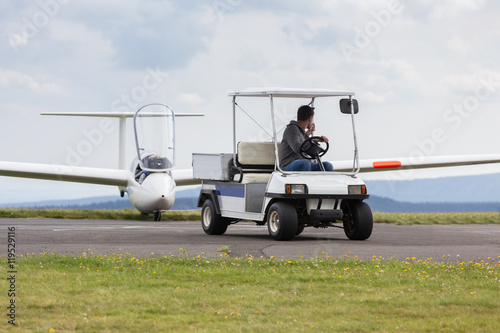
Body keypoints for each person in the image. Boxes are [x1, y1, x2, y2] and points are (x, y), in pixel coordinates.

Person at [280, 105, 334, 172]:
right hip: (288, 166)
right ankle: (307, 182)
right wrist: (315, 140)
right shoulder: (292, 129)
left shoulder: (301, 132)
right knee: (305, 163)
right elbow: (297, 148)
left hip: (303, 164)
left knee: (327, 166)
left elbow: (305, 143)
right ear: (310, 118)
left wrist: (312, 137)